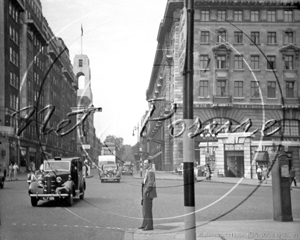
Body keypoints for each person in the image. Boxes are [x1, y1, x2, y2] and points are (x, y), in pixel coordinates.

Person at [139, 159, 157, 231]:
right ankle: (144, 224)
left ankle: (149, 226)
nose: (144, 165)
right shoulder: (147, 171)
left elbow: (151, 183)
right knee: (145, 209)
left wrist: (146, 192)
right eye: (144, 163)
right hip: (145, 192)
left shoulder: (151, 172)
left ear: (150, 164)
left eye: (146, 163)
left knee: (147, 210)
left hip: (148, 193)